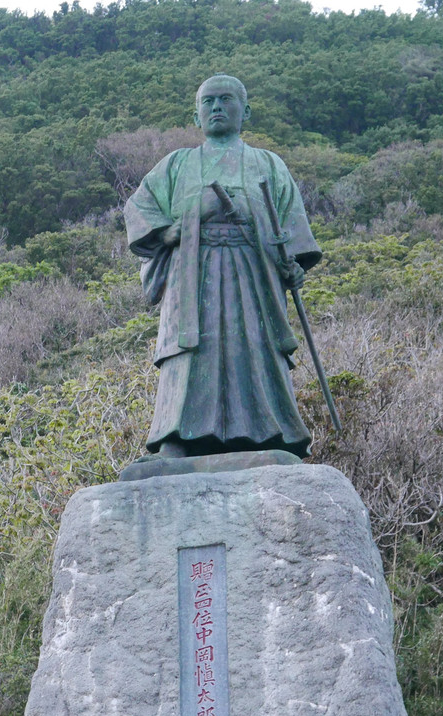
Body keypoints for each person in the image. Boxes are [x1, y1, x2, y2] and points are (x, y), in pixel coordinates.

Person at [124, 74, 322, 459]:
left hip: (254, 274)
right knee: (191, 350)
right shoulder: (177, 164)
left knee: (255, 345)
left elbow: (292, 230)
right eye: (208, 101)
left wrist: (294, 265)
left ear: (245, 112)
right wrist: (170, 231)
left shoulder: (268, 164)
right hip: (191, 275)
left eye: (226, 100)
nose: (216, 107)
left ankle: (269, 434)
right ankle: (178, 435)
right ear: (196, 115)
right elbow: (139, 208)